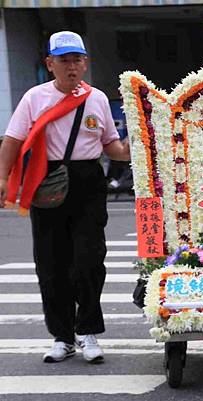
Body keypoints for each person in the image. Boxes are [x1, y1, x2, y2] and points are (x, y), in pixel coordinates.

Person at [0, 31, 130, 363]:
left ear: (85, 63)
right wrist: (2, 177)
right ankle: (62, 336)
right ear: (50, 64)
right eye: (64, 60)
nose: (72, 67)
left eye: (77, 60)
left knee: (88, 259)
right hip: (47, 181)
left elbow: (111, 147)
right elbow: (13, 140)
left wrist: (138, 147)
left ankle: (87, 332)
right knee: (51, 264)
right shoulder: (34, 98)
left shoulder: (97, 98)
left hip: (88, 181)